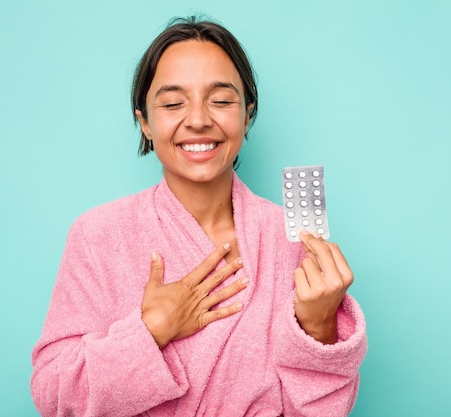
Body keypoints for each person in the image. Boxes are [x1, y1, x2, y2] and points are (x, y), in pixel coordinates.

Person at [31, 16, 367, 417]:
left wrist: (319, 327)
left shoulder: (291, 241)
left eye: (221, 100)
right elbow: (53, 397)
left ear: (247, 114)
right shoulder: (98, 234)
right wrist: (151, 330)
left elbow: (322, 410)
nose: (197, 119)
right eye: (173, 103)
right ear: (145, 122)